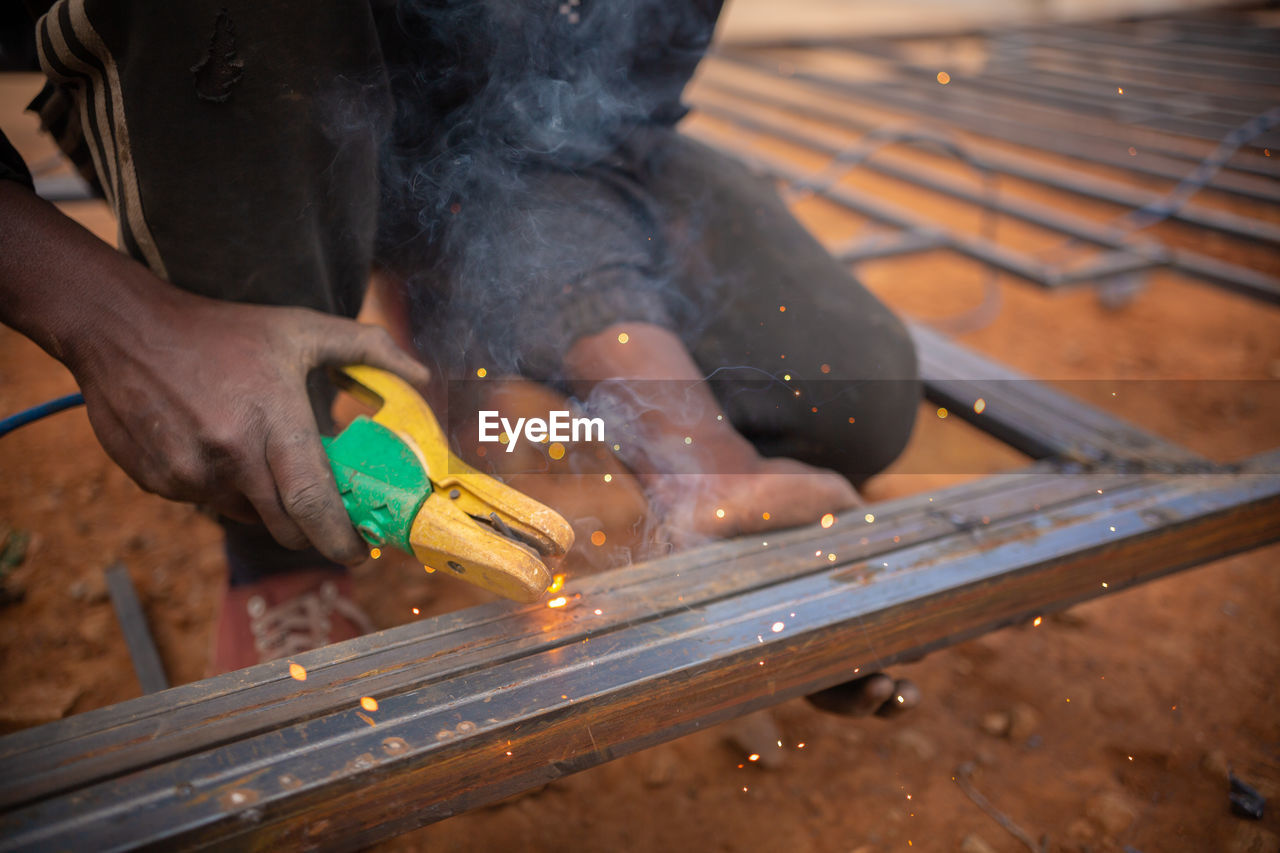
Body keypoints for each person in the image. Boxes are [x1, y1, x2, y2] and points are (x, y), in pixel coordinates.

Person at [0, 0, 919, 714]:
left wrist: (692, 452)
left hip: (466, 165)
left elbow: (578, 157)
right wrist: (114, 318)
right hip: (238, 101)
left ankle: (438, 283)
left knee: (849, 389)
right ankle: (275, 550)